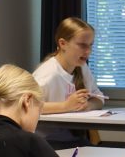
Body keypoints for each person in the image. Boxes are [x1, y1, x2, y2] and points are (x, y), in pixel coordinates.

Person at [33, 17, 107, 148]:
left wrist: (88, 105)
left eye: (90, 45)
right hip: (47, 143)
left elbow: (99, 98)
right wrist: (66, 106)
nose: (88, 51)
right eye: (82, 45)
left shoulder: (82, 67)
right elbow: (29, 107)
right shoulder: (47, 74)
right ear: (62, 44)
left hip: (74, 140)